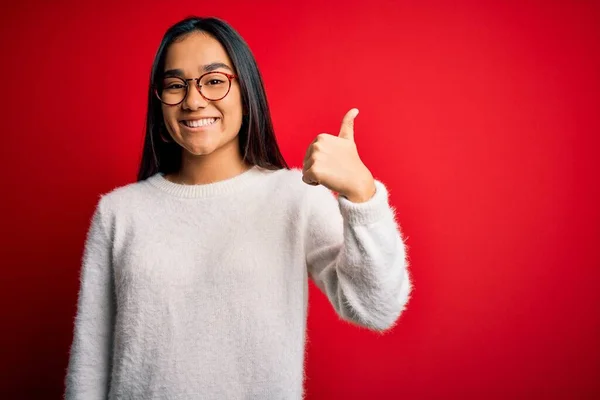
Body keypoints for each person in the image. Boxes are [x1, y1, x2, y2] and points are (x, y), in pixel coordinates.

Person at [64, 16, 412, 400]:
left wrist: (362, 195)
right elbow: (90, 362)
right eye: (175, 85)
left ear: (246, 91)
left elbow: (375, 308)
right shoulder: (118, 214)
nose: (193, 100)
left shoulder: (294, 197)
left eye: (214, 80)